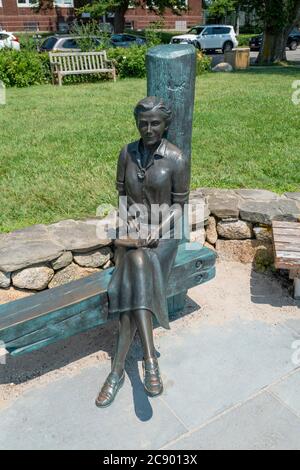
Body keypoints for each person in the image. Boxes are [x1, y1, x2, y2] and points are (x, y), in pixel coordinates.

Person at [95, 96, 190, 408]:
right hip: (133, 236)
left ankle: (117, 371)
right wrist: (128, 228)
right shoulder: (127, 152)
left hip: (164, 237)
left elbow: (179, 206)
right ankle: (150, 361)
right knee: (136, 262)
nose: (149, 128)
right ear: (137, 123)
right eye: (143, 122)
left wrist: (155, 231)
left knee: (137, 268)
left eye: (155, 123)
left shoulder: (176, 158)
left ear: (166, 125)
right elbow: (121, 197)